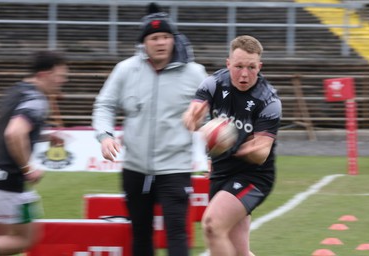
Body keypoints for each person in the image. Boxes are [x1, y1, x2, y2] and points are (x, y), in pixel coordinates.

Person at [92, 3, 207, 256]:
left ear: (173, 39)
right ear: (144, 42)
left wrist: (210, 144)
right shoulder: (126, 69)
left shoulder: (195, 73)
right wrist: (105, 135)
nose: (161, 43)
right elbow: (105, 105)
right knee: (140, 233)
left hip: (175, 168)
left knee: (177, 232)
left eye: (166, 37)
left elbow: (210, 118)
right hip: (135, 168)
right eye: (154, 38)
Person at [183, 35, 282, 256]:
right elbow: (191, 115)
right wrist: (192, 120)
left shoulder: (269, 101)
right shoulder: (213, 83)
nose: (244, 74)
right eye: (238, 66)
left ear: (260, 66)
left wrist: (239, 145)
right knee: (239, 250)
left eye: (251, 67)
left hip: (253, 177)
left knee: (212, 225)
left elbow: (262, 153)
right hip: (221, 173)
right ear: (228, 64)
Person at [0, 51, 68, 255]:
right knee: (24, 239)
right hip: (11, 181)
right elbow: (14, 133)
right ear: (45, 74)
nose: (63, 80)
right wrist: (28, 168)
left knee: (0, 237)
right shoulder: (37, 100)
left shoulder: (16, 91)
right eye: (60, 75)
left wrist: (45, 137)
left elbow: (6, 130)